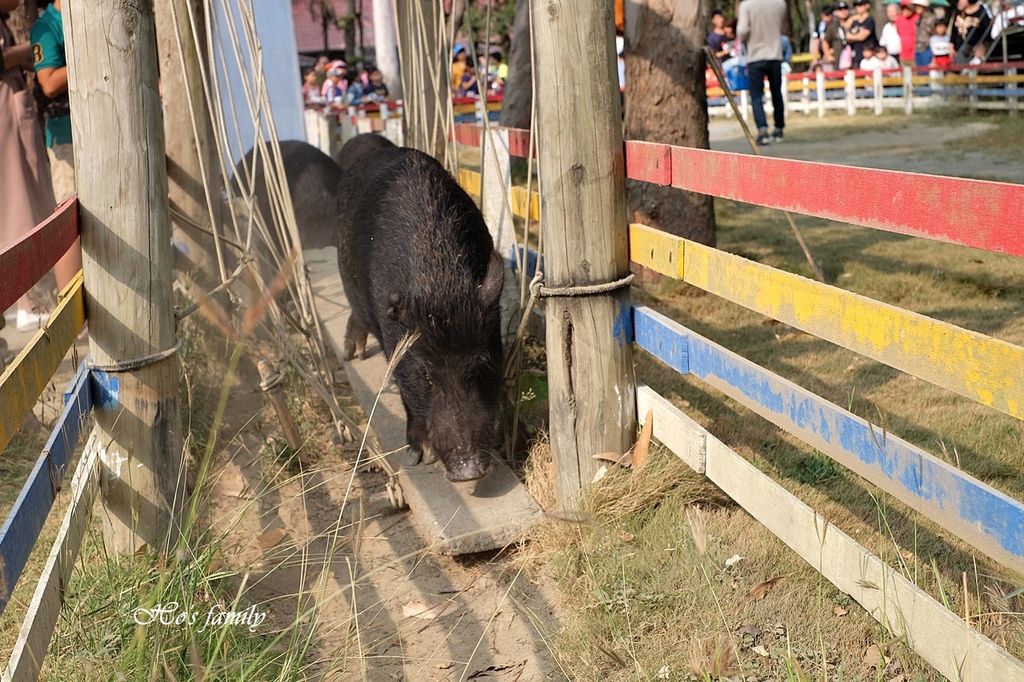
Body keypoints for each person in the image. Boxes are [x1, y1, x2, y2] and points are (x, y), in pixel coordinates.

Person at [1, 0, 57, 331]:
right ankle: (27, 300)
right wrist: (29, 50)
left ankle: (31, 298)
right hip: (6, 120)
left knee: (26, 204)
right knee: (17, 208)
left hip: (14, 114)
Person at [31, 0, 81, 310]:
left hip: (89, 135)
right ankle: (71, 312)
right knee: (69, 224)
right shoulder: (46, 26)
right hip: (64, 139)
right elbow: (48, 82)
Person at [738, 0, 787, 145]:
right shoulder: (780, 4)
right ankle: (779, 128)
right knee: (776, 92)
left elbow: (742, 31)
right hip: (775, 53)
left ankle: (763, 130)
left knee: (756, 96)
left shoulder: (747, 5)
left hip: (756, 55)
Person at [847, 0, 878, 66]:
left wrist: (851, 36)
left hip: (869, 58)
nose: (858, 7)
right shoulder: (854, 21)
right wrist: (851, 19)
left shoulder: (869, 20)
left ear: (867, 6)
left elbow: (862, 37)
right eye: (856, 5)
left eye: (860, 5)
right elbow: (846, 36)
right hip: (857, 56)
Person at [826, 2, 850, 70]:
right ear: (835, 12)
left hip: (853, 62)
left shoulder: (854, 22)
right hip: (838, 63)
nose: (843, 11)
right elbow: (825, 41)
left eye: (845, 8)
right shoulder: (833, 26)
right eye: (840, 9)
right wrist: (828, 54)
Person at [912, 0, 937, 67]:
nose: (916, 7)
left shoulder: (932, 18)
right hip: (918, 49)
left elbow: (935, 35)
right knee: (920, 75)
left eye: (918, 6)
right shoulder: (919, 18)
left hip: (927, 50)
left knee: (927, 74)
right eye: (915, 6)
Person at [895, 0, 919, 65]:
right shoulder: (899, 19)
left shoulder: (917, 18)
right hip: (903, 55)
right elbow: (899, 33)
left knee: (916, 74)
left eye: (908, 8)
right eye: (903, 8)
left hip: (915, 54)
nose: (906, 11)